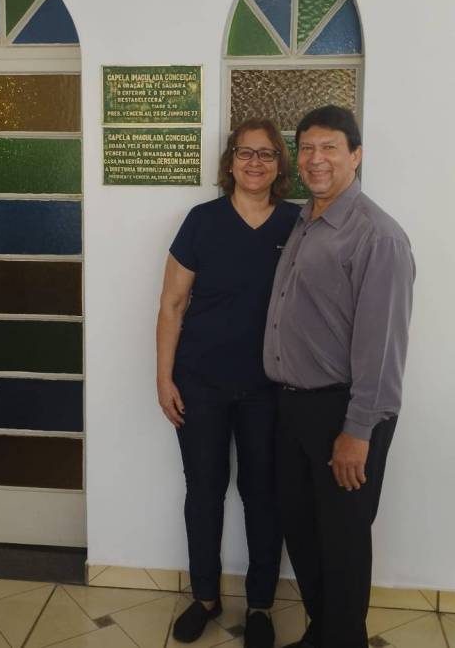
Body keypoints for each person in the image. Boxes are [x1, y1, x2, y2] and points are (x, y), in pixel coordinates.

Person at [264, 105, 415, 648]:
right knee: (302, 532)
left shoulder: (378, 236)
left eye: (329, 147)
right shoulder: (305, 220)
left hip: (344, 414)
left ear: (356, 156)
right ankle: (321, 633)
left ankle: (344, 639)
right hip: (294, 408)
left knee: (343, 544)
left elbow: (382, 348)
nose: (316, 159)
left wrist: (357, 432)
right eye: (306, 148)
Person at [156, 119, 301, 648]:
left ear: (280, 165)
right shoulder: (202, 221)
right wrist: (163, 377)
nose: (255, 163)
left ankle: (260, 604)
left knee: (263, 495)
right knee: (204, 492)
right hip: (200, 384)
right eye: (245, 153)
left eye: (266, 154)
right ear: (230, 162)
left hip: (270, 389)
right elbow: (172, 304)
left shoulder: (298, 223)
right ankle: (205, 598)